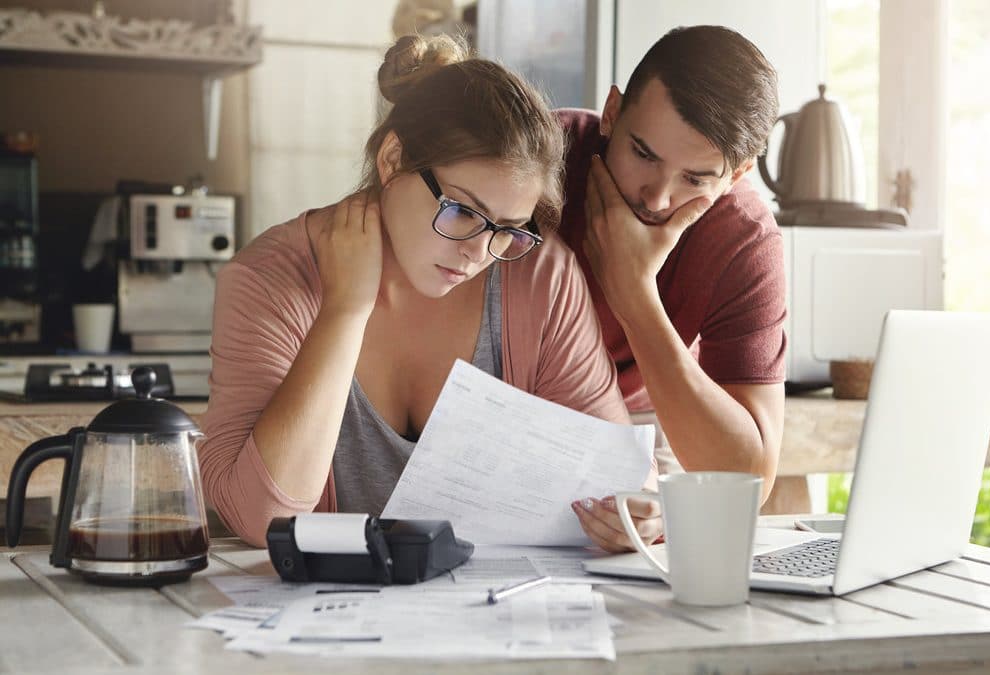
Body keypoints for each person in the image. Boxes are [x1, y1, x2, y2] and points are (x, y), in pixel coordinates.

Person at [197, 35, 660, 552]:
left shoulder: (540, 276)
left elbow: (615, 478)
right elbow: (263, 518)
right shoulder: (269, 279)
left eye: (507, 228)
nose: (478, 252)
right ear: (393, 159)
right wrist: (345, 310)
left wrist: (635, 515)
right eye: (462, 211)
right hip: (322, 624)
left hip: (494, 616)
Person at [560, 26, 787, 546]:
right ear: (612, 112)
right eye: (643, 154)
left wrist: (635, 294)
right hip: (505, 394)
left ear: (737, 174)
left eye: (696, 179)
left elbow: (748, 480)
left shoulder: (744, 239)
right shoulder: (538, 158)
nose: (659, 198)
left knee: (649, 549)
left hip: (647, 410)